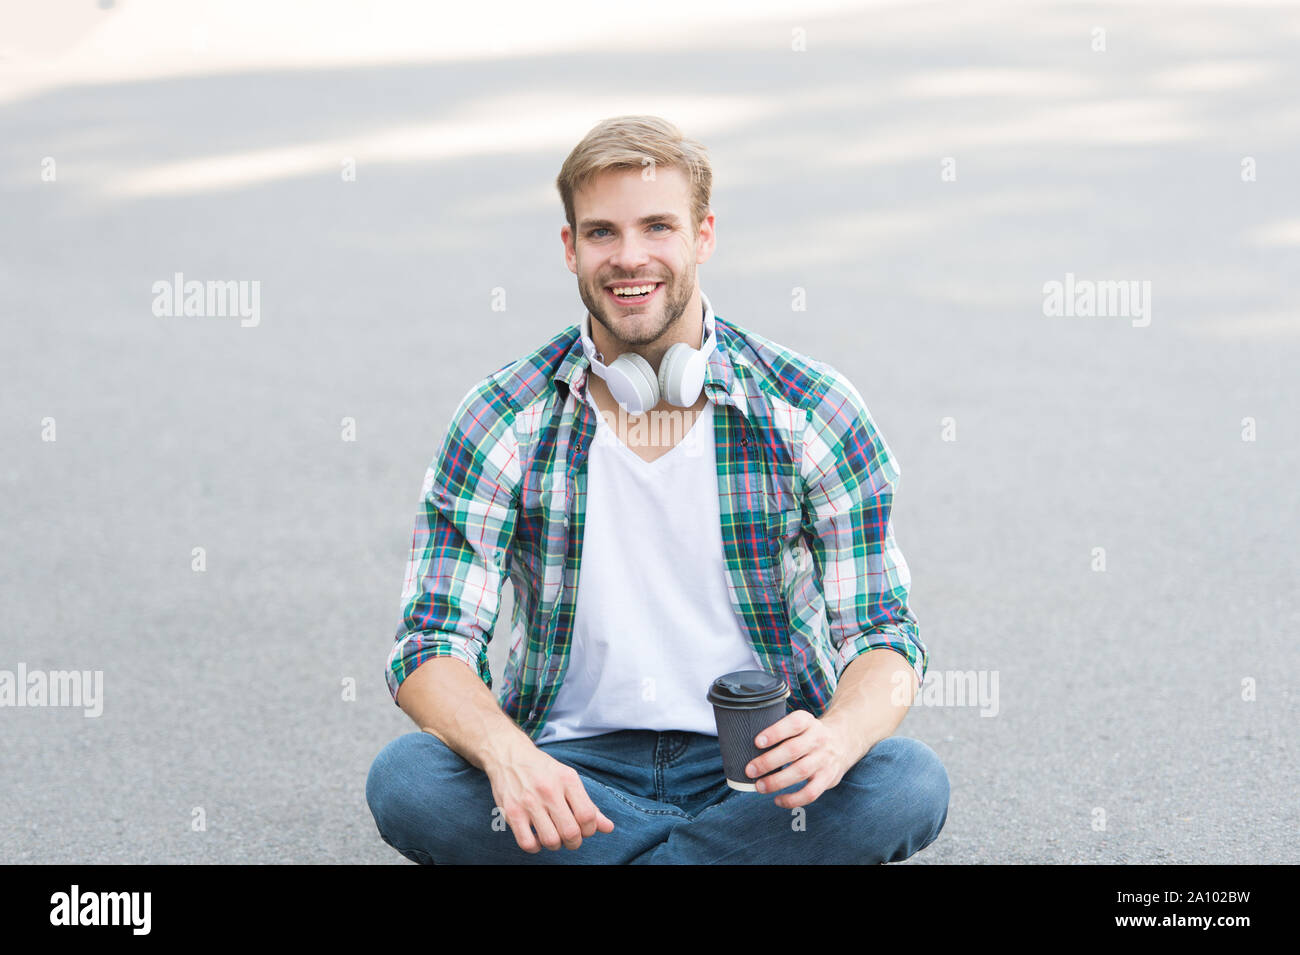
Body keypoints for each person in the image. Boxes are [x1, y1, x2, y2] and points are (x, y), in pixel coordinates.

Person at [365, 115, 949, 864]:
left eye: (658, 227)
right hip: (572, 772)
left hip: (756, 769)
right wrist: (509, 757)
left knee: (907, 782)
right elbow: (431, 645)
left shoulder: (812, 408)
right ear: (571, 248)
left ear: (704, 236)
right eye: (603, 232)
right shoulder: (501, 418)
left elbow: (884, 639)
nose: (629, 256)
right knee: (409, 779)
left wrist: (835, 737)